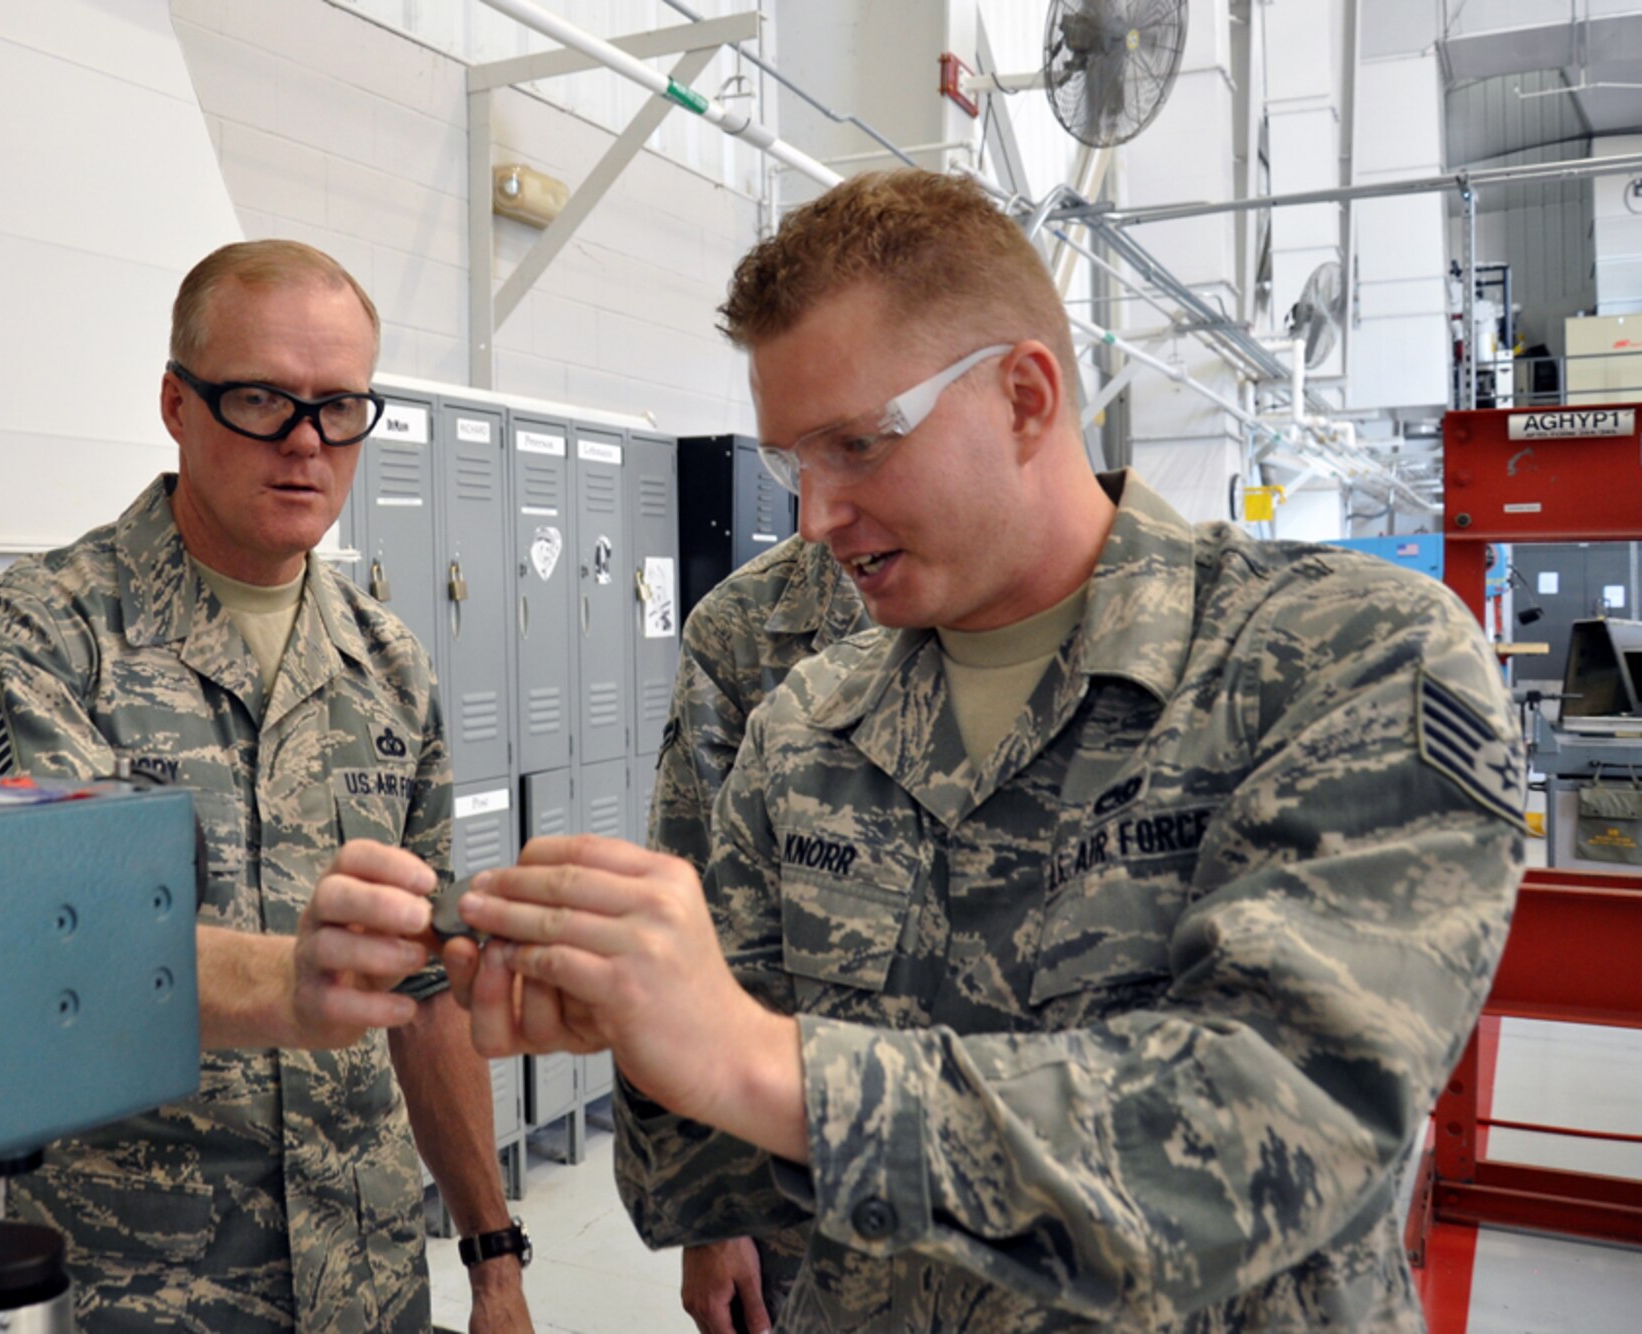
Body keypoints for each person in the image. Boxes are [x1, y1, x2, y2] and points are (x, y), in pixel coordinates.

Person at [447, 169, 1526, 1329]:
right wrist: (624, 1012)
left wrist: (753, 1062)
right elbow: (710, 1174)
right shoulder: (807, 725)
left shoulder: (1343, 655)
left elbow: (1271, 1125)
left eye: (858, 444)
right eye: (789, 463)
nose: (813, 517)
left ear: (1023, 396)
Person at [0, 240, 531, 1333]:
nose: (305, 444)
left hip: (366, 1278)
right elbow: (49, 938)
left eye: (339, 406)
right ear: (175, 401)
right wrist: (294, 982)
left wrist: (492, 1255)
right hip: (129, 1284)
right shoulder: (25, 640)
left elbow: (426, 994)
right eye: (260, 398)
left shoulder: (389, 665)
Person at [645, 533, 866, 1334]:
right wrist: (709, 1211)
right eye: (797, 457)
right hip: (798, 1211)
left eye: (863, 443)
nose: (827, 499)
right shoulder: (745, 625)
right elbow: (686, 925)